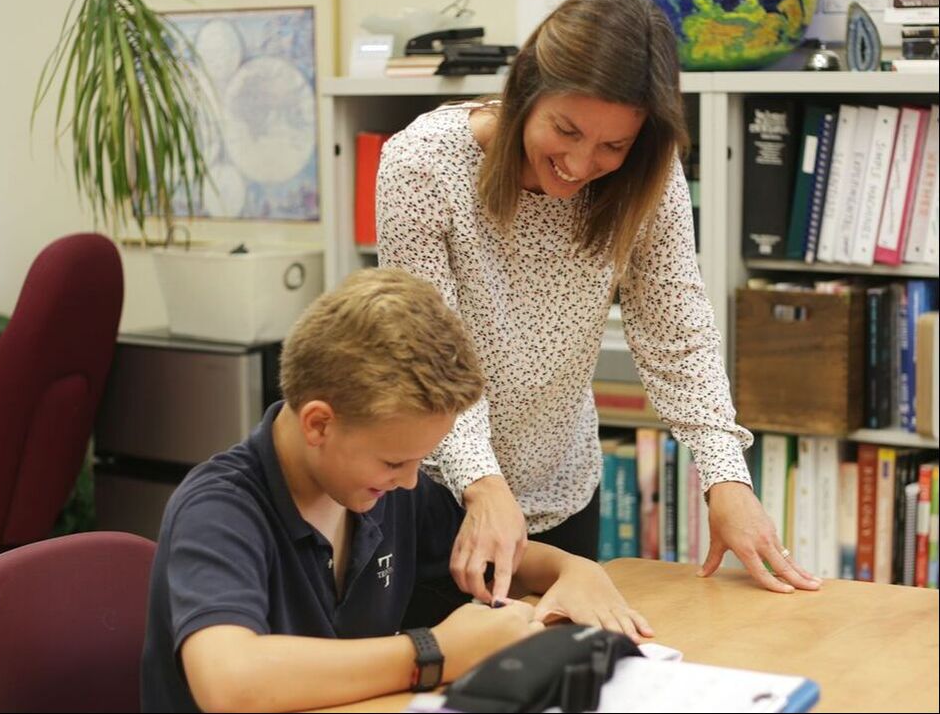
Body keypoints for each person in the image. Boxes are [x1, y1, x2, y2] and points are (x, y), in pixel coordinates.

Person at [375, 0, 821, 613]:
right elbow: (426, 354)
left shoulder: (647, 174)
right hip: (427, 486)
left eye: (613, 147)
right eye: (566, 129)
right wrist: (480, 481)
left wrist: (726, 477)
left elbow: (676, 331)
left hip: (562, 487)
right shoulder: (422, 165)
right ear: (525, 91)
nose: (581, 164)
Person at [140, 268, 653, 713]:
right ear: (319, 424)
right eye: (394, 461)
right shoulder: (219, 511)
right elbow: (228, 681)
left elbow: (496, 558)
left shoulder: (384, 490)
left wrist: (572, 569)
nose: (411, 480)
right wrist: (435, 652)